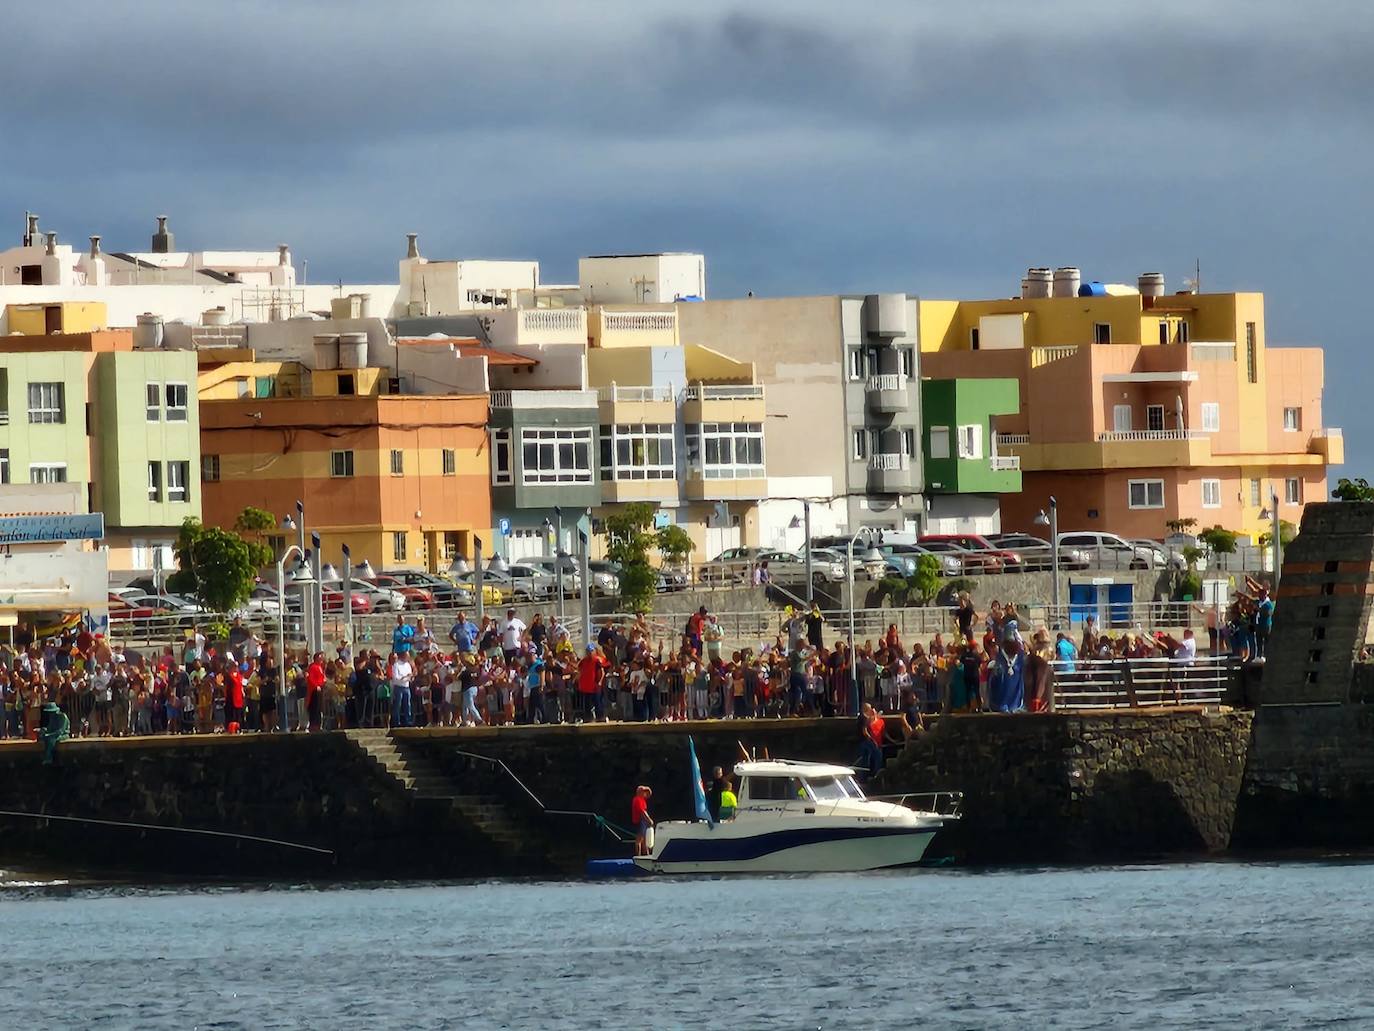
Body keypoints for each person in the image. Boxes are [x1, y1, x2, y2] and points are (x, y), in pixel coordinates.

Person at [631, 785, 654, 857]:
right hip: (640, 820)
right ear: (640, 792)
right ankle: (639, 855)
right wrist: (649, 819)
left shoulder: (641, 799)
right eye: (643, 792)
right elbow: (642, 811)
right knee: (640, 839)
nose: (645, 793)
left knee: (644, 839)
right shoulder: (638, 799)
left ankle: (646, 855)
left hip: (642, 821)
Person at [1254, 587, 1274, 661]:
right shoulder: (1258, 603)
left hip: (1266, 625)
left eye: (1261, 594)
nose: (1259, 596)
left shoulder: (1268, 604)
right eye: (1259, 594)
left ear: (1265, 594)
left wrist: (1259, 610)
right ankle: (1258, 656)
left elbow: (1268, 614)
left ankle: (1266, 656)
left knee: (1266, 642)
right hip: (1258, 625)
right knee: (1258, 641)